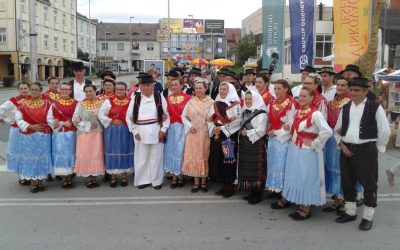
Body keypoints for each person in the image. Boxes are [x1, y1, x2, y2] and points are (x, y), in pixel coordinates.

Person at [334, 77, 391, 231]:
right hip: (347, 150)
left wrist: (378, 147)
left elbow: (384, 130)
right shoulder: (345, 107)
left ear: (366, 92)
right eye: (351, 90)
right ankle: (351, 212)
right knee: (347, 181)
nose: (353, 93)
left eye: (357, 90)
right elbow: (337, 129)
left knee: (369, 184)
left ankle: (368, 216)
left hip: (366, 150)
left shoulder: (375, 107)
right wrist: (341, 144)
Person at [282, 87, 332, 220]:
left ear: (312, 98)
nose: (301, 99)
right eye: (300, 96)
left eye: (305, 96)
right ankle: (301, 205)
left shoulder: (316, 114)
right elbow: (296, 125)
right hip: (296, 148)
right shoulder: (299, 111)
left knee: (306, 176)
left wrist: (315, 143)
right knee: (298, 175)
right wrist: (288, 125)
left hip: (307, 151)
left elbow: (327, 131)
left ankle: (306, 208)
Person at [126, 73, 170, 190]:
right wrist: (134, 131)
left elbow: (167, 115)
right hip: (140, 131)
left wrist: (164, 129)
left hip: (156, 129)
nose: (145, 87)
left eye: (147, 85)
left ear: (153, 85)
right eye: (142, 85)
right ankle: (142, 180)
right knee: (141, 157)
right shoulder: (135, 98)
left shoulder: (159, 97)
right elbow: (129, 116)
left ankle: (156, 180)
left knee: (156, 156)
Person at [15, 82, 53, 193]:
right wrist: (30, 126)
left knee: (42, 157)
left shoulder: (47, 104)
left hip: (43, 136)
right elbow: (18, 120)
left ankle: (40, 181)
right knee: (30, 158)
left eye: (36, 90)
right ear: (29, 91)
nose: (34, 92)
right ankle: (33, 182)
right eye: (32, 89)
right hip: (28, 137)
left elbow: (50, 119)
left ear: (40, 91)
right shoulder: (22, 105)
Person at [323, 76, 352, 214]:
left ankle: (345, 202)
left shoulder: (351, 103)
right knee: (331, 169)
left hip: (342, 140)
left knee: (342, 171)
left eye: (343, 85)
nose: (340, 87)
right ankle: (336, 200)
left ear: (348, 88)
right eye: (338, 85)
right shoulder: (332, 101)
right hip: (330, 141)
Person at [208, 82, 242, 198]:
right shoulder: (215, 103)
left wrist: (221, 128)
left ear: (230, 90)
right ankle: (223, 185)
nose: (221, 91)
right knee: (219, 160)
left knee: (228, 160)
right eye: (220, 89)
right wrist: (213, 128)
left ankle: (230, 186)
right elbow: (209, 119)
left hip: (228, 136)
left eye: (224, 89)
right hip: (217, 135)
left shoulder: (235, 104)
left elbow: (237, 122)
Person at [181, 78, 214, 192]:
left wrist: (210, 126)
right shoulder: (190, 102)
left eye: (201, 88)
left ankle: (204, 181)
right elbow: (183, 116)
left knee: (204, 155)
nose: (199, 90)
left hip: (204, 132)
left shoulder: (211, 102)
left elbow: (212, 118)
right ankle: (196, 182)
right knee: (194, 156)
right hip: (193, 133)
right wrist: (189, 126)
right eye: (197, 88)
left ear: (205, 89)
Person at [98, 82, 134, 187]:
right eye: (117, 89)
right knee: (112, 150)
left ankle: (124, 175)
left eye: (121, 89)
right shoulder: (108, 101)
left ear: (126, 90)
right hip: (112, 131)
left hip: (125, 130)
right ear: (115, 89)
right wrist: (111, 121)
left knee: (125, 150)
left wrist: (127, 121)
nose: (119, 91)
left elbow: (133, 115)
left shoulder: (131, 102)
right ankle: (113, 176)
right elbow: (101, 114)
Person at [266, 79, 295, 205]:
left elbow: (291, 124)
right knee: (273, 165)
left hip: (284, 140)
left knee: (282, 166)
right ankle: (276, 189)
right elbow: (268, 120)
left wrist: (276, 132)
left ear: (286, 89)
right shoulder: (272, 103)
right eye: (275, 88)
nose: (276, 91)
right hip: (272, 139)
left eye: (279, 88)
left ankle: (285, 195)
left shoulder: (291, 104)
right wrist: (268, 131)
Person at [237, 90, 268, 204]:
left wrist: (248, 133)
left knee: (257, 169)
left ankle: (258, 193)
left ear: (255, 99)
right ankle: (251, 191)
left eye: (250, 99)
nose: (248, 101)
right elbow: (239, 123)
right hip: (246, 144)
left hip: (256, 144)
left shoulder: (262, 113)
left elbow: (262, 130)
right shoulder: (244, 111)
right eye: (246, 99)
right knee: (247, 168)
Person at [73, 84, 105, 188]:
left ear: (95, 91)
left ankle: (94, 178)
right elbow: (75, 119)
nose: (88, 93)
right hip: (84, 134)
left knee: (95, 154)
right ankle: (87, 179)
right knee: (85, 154)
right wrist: (86, 125)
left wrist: (97, 124)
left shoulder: (101, 103)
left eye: (91, 91)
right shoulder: (80, 104)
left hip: (96, 134)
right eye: (86, 92)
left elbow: (104, 117)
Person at [47, 82, 78, 188]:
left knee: (71, 153)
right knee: (61, 154)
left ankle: (70, 175)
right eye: (63, 89)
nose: (65, 91)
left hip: (72, 133)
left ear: (70, 91)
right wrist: (63, 123)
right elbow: (49, 119)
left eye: (67, 89)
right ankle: (64, 178)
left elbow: (78, 117)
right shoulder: (54, 104)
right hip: (60, 134)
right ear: (60, 90)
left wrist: (74, 122)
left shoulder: (76, 103)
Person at [0, 82, 30, 185]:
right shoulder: (13, 100)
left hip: (30, 130)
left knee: (29, 153)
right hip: (17, 131)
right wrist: (10, 119)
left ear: (28, 89)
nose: (23, 90)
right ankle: (22, 176)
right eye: (21, 89)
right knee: (19, 153)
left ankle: (30, 175)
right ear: (18, 90)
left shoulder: (33, 99)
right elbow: (1, 109)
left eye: (25, 88)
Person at [163, 78, 191, 188]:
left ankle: (181, 176)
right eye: (172, 85)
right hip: (171, 128)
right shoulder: (168, 98)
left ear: (181, 86)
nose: (173, 87)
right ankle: (174, 177)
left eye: (176, 85)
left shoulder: (188, 98)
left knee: (181, 151)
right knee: (171, 151)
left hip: (182, 128)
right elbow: (165, 113)